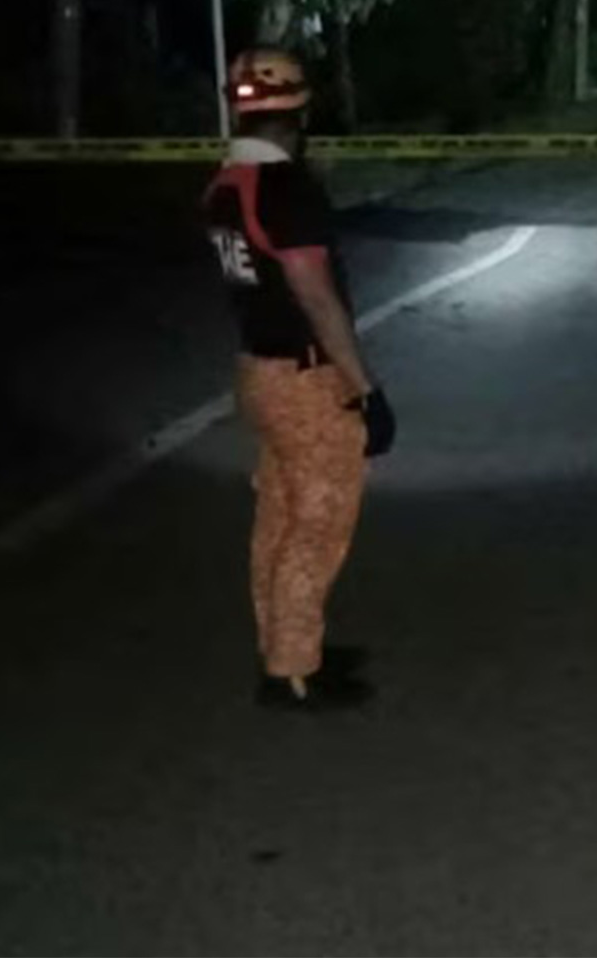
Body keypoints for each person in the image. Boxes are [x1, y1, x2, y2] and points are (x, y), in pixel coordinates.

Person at [203, 47, 395, 712]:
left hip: (258, 370)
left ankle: (287, 646)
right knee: (317, 527)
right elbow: (315, 298)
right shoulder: (287, 191)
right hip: (307, 382)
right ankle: (292, 672)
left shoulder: (228, 181)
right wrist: (366, 390)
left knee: (278, 519)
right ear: (301, 109)